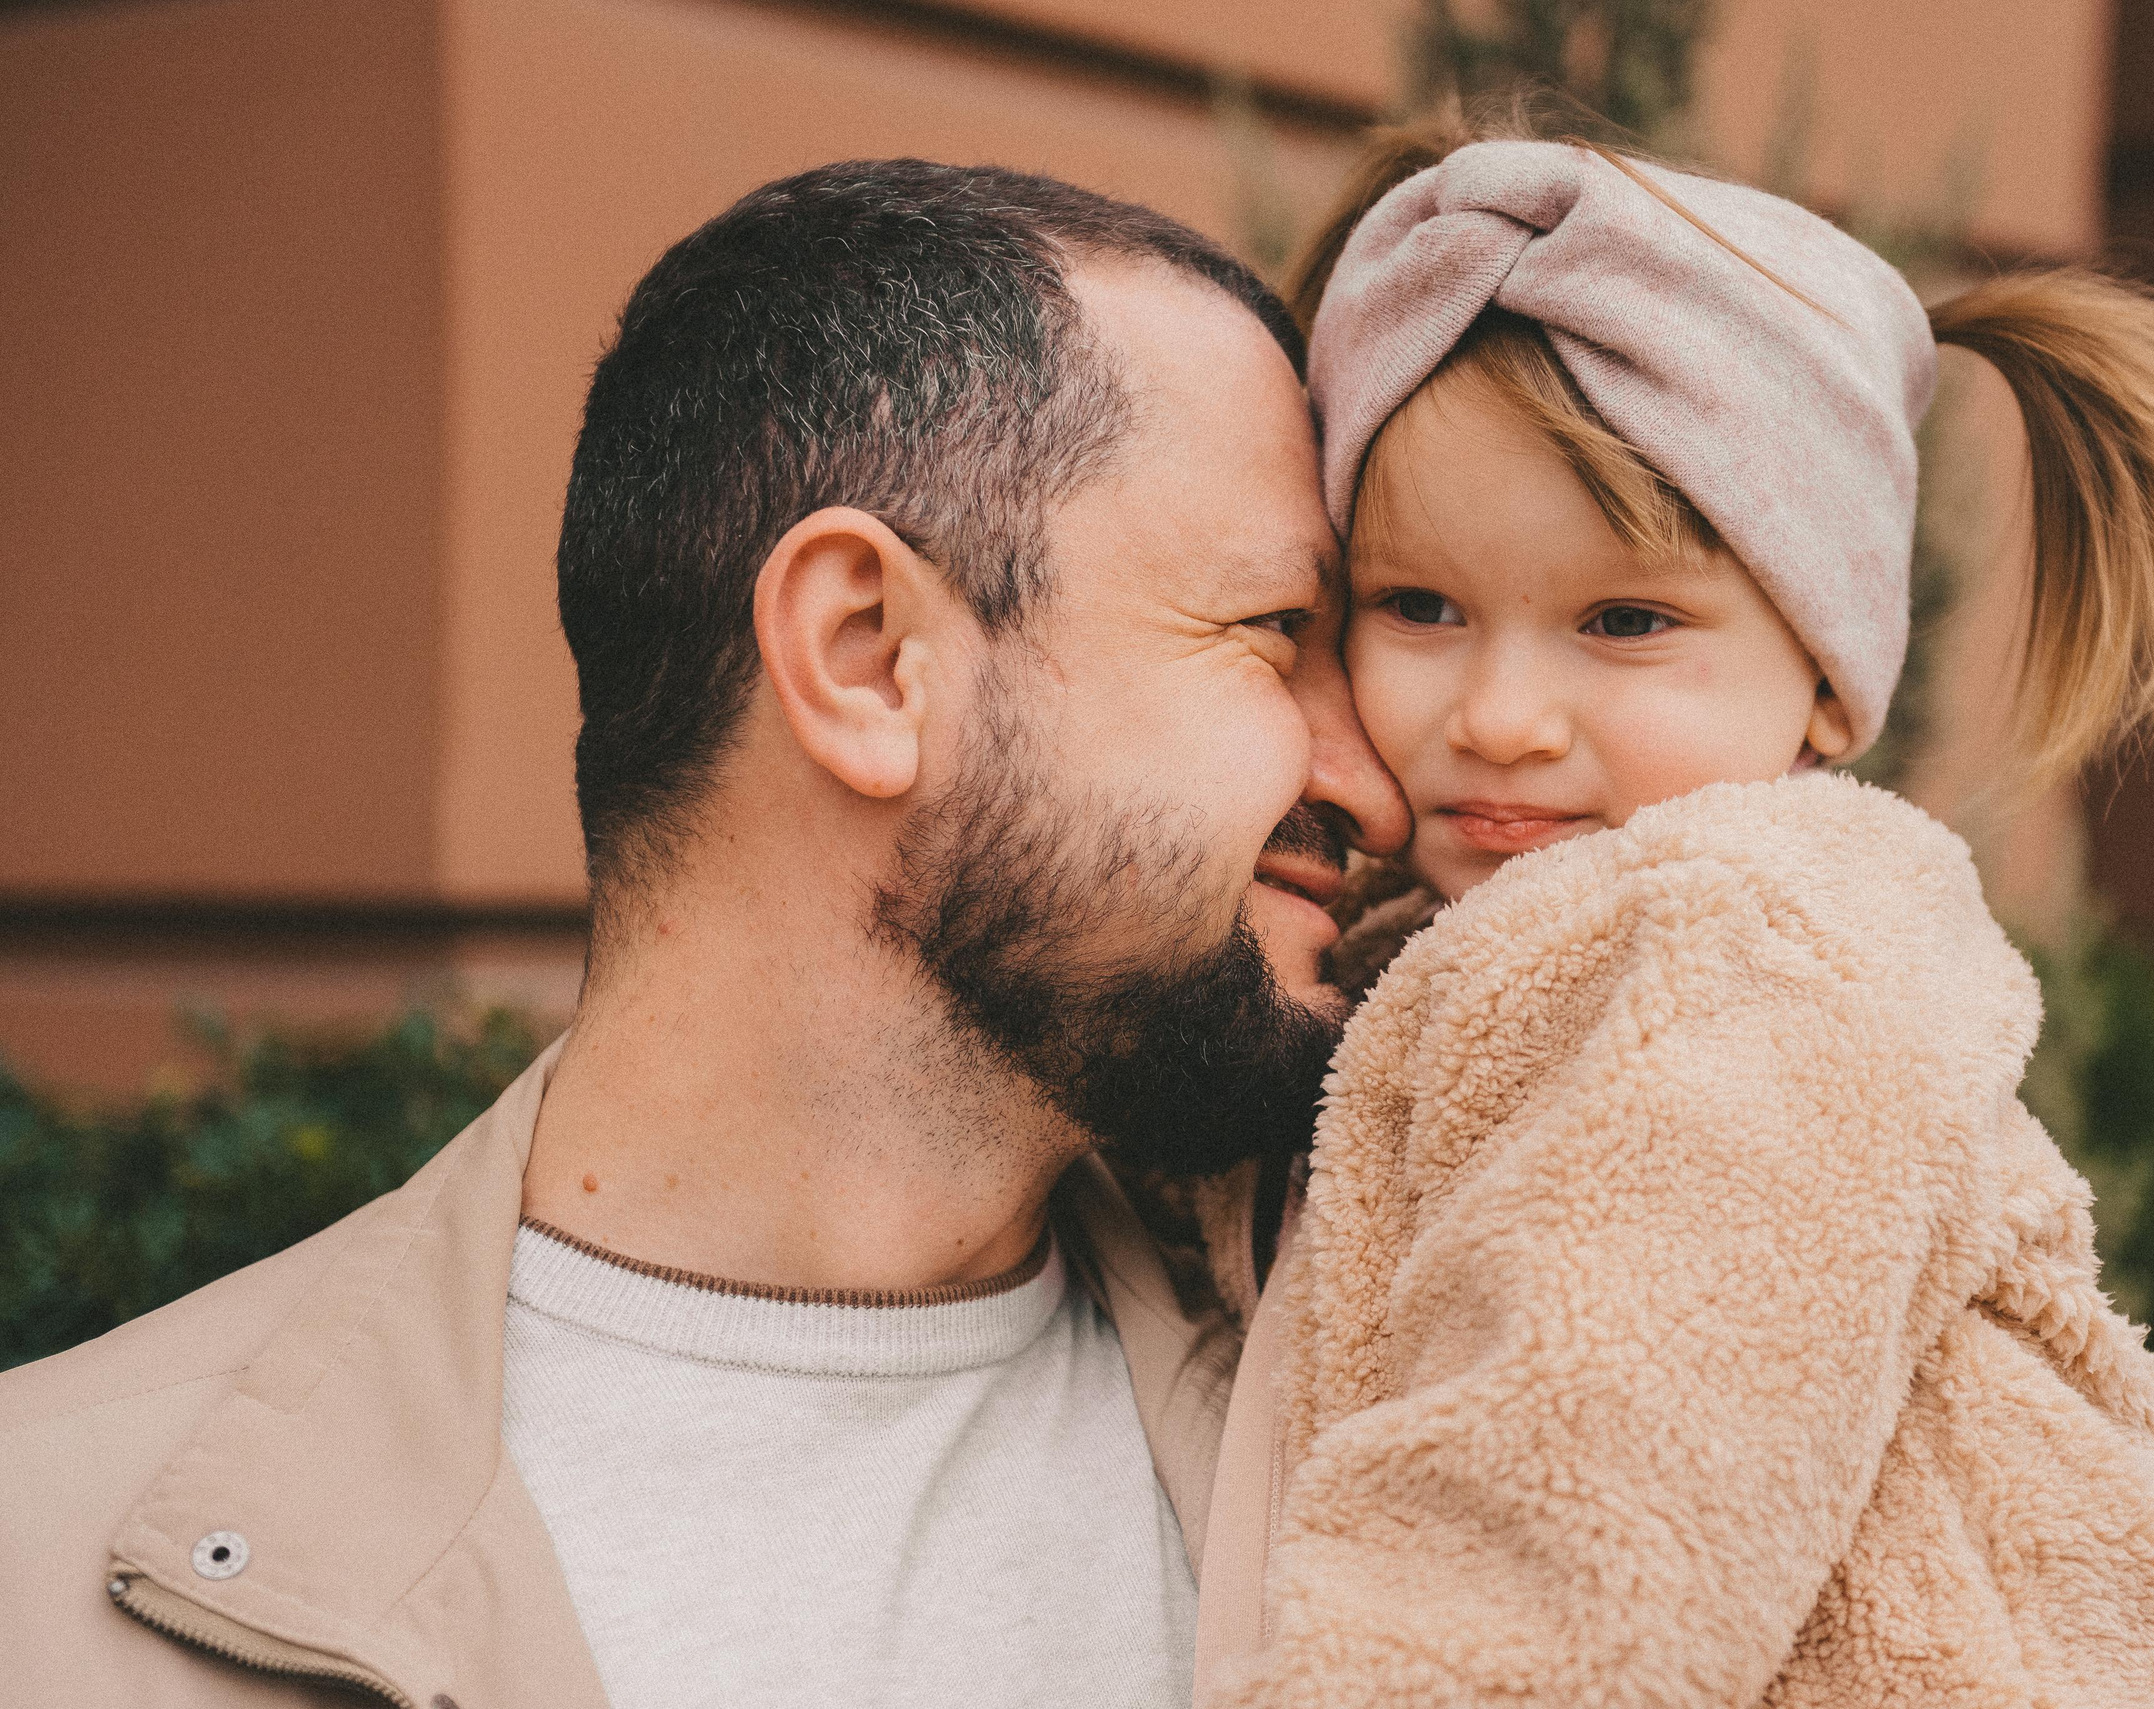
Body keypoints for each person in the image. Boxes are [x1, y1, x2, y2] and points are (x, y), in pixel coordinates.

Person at [0, 160, 1408, 1708]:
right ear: (865, 656)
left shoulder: (1405, 1458)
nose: (1378, 785)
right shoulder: (45, 1579)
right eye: (1278, 630)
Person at [1187, 118, 2154, 1707]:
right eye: (1420, 605)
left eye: (1625, 620)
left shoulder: (1748, 957)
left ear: (1829, 683)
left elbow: (1577, 1527)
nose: (1501, 715)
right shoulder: (1458, 956)